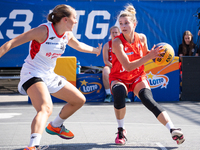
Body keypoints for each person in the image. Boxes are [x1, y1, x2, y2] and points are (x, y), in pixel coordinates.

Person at [0, 4, 102, 150]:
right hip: (32, 73)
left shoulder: (67, 35)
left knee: (79, 100)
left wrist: (96, 50)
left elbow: (79, 45)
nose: (76, 21)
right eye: (75, 18)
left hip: (48, 75)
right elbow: (11, 43)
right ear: (65, 19)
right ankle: (33, 145)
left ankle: (55, 126)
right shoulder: (43, 31)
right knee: (46, 108)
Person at [109, 4, 185, 145]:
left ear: (134, 24)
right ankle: (121, 130)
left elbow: (145, 55)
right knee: (119, 93)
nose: (123, 26)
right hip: (119, 77)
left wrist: (158, 56)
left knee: (148, 99)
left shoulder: (142, 38)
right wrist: (150, 56)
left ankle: (173, 129)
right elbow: (128, 66)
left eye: (126, 23)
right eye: (120, 24)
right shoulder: (117, 42)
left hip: (137, 76)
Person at [102, 26, 131, 103]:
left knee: (126, 70)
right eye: (113, 33)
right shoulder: (107, 45)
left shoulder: (123, 44)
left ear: (119, 33)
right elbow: (106, 61)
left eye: (116, 32)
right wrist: (114, 66)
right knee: (105, 71)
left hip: (121, 65)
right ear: (110, 34)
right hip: (110, 66)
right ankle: (108, 95)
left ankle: (125, 95)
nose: (114, 34)